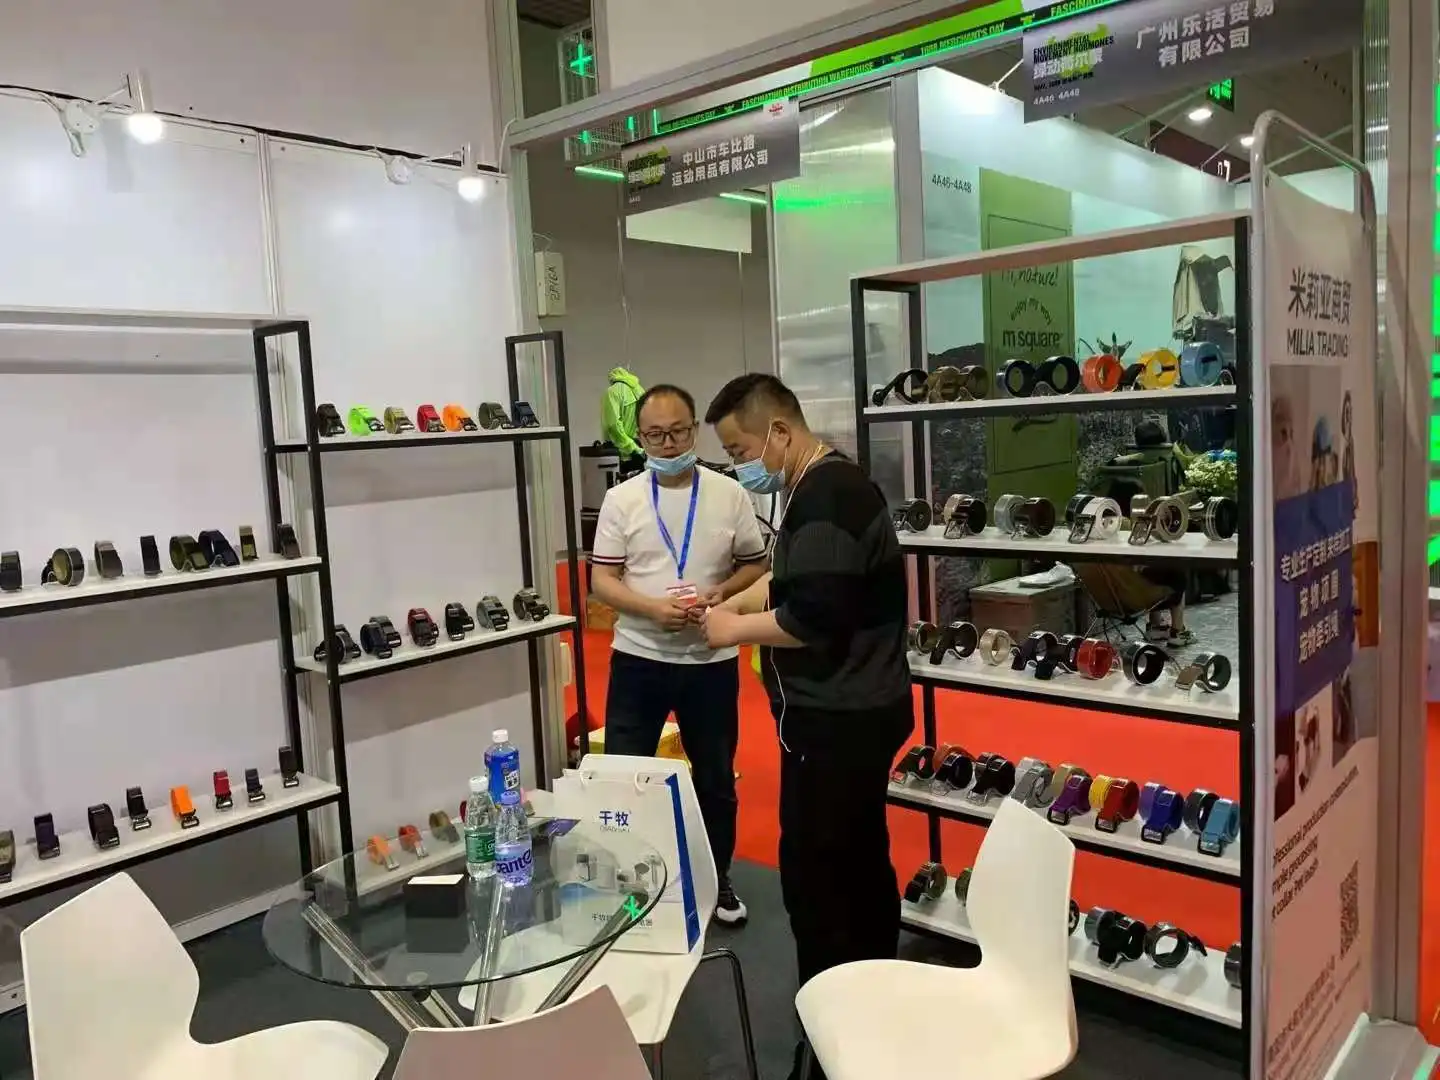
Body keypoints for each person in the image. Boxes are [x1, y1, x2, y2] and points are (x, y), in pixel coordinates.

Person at [699, 374, 913, 1080]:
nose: (740, 465)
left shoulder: (827, 496)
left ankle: (836, 1027)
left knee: (821, 879)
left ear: (780, 433)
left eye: (741, 450)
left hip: (839, 722)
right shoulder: (816, 489)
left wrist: (733, 629)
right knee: (855, 862)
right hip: (843, 715)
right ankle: (864, 1004)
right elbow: (795, 581)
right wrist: (736, 598)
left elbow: (811, 619)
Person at [589, 383, 768, 924]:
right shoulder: (622, 499)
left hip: (709, 663)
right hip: (638, 660)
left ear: (694, 430)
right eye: (655, 435)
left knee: (715, 780)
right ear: (640, 437)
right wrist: (650, 608)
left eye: (677, 433)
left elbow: (755, 563)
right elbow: (602, 580)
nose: (668, 445)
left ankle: (717, 879)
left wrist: (721, 594)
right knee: (625, 777)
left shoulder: (729, 493)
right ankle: (629, 882)